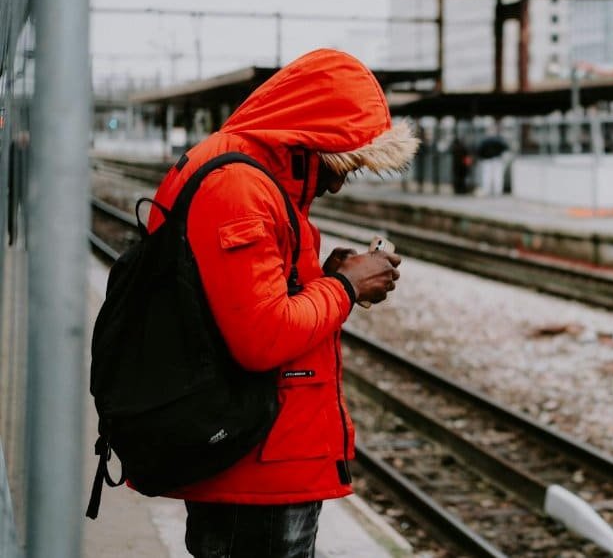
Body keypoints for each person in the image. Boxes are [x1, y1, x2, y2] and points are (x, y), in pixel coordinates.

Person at [146, 49, 418, 558]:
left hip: (263, 452)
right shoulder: (238, 187)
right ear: (308, 140)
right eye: (339, 164)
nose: (338, 182)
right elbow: (262, 335)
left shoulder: (254, 178)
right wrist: (347, 288)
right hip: (254, 464)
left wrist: (325, 275)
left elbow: (242, 299)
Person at [476, 132, 508, 196]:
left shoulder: (484, 141)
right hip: (497, 160)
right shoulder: (498, 140)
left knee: (487, 176)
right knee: (497, 176)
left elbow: (479, 151)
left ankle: (487, 190)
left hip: (487, 160)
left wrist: (481, 157)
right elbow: (506, 148)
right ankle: (497, 191)